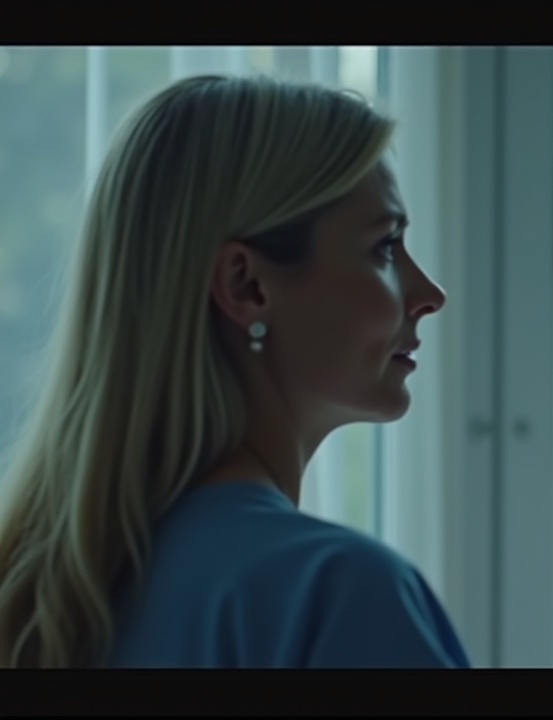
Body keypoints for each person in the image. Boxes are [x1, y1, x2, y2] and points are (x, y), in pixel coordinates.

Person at [0, 74, 470, 669]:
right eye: (384, 247)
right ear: (245, 284)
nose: (431, 294)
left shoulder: (38, 600)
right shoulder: (337, 596)